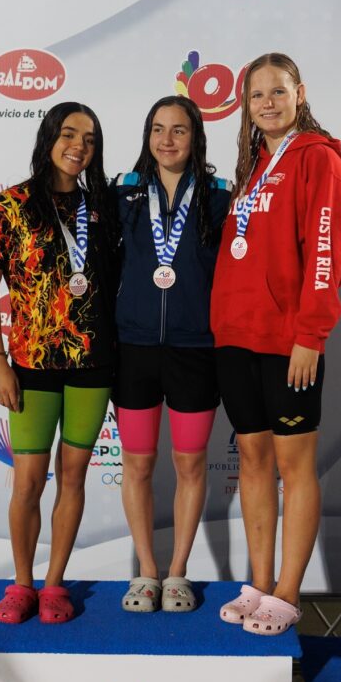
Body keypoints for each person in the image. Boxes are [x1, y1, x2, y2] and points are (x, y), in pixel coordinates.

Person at [210, 53, 341, 635]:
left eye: (278, 91)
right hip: (236, 337)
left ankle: (288, 592)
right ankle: (261, 582)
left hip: (288, 341)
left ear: (300, 93)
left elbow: (325, 250)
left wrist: (310, 334)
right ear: (245, 105)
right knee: (251, 460)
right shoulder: (252, 165)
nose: (267, 103)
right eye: (256, 94)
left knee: (294, 468)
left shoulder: (317, 158)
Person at [0, 102, 117, 624]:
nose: (79, 146)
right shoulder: (7, 206)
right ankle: (22, 583)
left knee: (73, 478)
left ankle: (54, 584)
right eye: (69, 134)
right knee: (28, 482)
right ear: (49, 138)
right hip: (30, 364)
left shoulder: (103, 206)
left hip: (93, 364)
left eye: (90, 139)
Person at [113, 96, 231, 613]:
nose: (167, 140)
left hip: (195, 349)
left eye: (179, 130)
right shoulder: (123, 192)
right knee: (137, 464)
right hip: (134, 348)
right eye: (158, 129)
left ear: (196, 137)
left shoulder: (220, 196)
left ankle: (178, 572)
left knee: (190, 463)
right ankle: (146, 572)